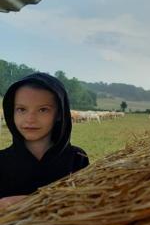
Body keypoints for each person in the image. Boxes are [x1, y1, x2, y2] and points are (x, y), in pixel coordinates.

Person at [0, 73, 89, 208]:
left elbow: (88, 205)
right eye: (21, 109)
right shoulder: (2, 161)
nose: (30, 119)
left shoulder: (77, 159)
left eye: (43, 110)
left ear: (59, 113)